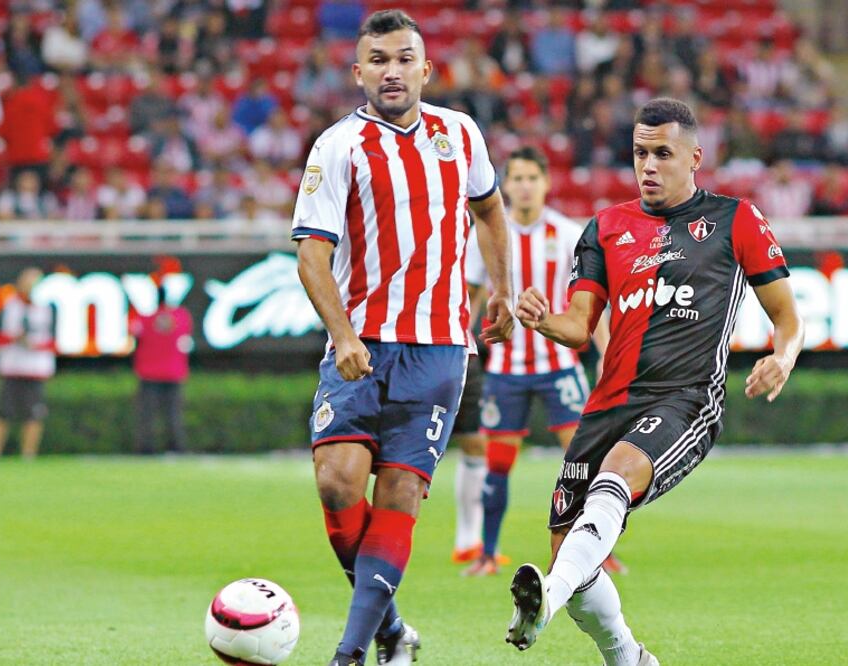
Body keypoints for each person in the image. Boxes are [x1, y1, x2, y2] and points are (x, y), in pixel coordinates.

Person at [505, 98, 804, 665]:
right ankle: (630, 658)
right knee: (569, 548)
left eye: (662, 153)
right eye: (640, 152)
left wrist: (783, 356)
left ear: (695, 157)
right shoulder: (605, 227)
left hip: (686, 400)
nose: (648, 164)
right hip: (607, 404)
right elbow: (579, 325)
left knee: (615, 478)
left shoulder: (735, 219)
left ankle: (547, 599)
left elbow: (787, 314)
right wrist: (542, 318)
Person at [290, 11, 513, 666]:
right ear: (359, 73)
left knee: (398, 496)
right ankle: (390, 631)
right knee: (337, 483)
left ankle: (355, 651)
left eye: (404, 58)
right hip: (361, 346)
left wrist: (499, 287)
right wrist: (344, 334)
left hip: (441, 350)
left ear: (426, 68)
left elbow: (491, 211)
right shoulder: (338, 147)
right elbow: (310, 254)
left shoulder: (461, 134)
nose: (393, 70)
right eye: (379, 59)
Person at [460, 146, 609, 578]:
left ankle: (596, 549)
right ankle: (488, 553)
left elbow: (591, 303)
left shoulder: (567, 234)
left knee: (583, 461)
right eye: (518, 178)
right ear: (505, 185)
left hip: (559, 366)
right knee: (498, 465)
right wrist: (460, 346)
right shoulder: (486, 233)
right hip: (506, 370)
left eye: (532, 178)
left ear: (546, 184)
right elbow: (471, 298)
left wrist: (604, 354)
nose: (525, 186)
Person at [0, 268, 56, 460]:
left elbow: (56, 341)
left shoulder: (47, 308)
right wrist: (15, 339)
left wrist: (34, 344)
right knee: (2, 413)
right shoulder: (9, 306)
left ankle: (28, 455)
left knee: (34, 415)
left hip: (35, 369)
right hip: (12, 367)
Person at [130, 276, 193, 454]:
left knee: (147, 415)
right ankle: (176, 447)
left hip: (149, 372)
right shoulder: (181, 317)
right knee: (174, 414)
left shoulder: (144, 319)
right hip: (174, 372)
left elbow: (135, 336)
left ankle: (146, 448)